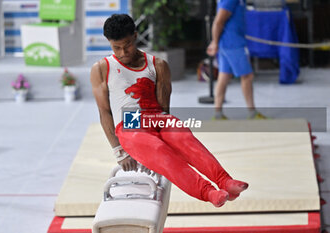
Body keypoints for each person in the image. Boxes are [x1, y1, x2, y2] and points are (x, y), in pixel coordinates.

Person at [90, 14, 248, 208]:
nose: (123, 52)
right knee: (157, 149)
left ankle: (225, 180)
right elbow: (104, 112)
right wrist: (119, 152)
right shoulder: (102, 68)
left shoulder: (158, 65)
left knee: (182, 137)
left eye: (128, 44)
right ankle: (208, 192)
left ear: (136, 36)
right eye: (117, 47)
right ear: (109, 43)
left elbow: (164, 109)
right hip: (129, 122)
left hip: (156, 116)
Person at [207, 0, 266, 119]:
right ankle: (252, 113)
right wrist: (214, 42)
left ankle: (217, 115)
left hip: (229, 43)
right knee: (247, 76)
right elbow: (218, 22)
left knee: (224, 76)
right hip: (233, 44)